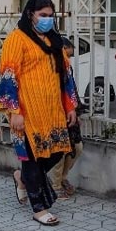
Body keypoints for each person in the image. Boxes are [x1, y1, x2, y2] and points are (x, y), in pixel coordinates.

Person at [0, 0, 77, 226]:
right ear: (31, 14)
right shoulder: (16, 39)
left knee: (57, 152)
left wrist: (70, 106)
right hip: (27, 113)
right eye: (43, 15)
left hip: (52, 112)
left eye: (50, 16)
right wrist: (15, 111)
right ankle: (40, 208)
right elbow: (8, 76)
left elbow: (66, 76)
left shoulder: (54, 41)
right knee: (31, 160)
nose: (47, 20)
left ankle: (22, 179)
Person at [48, 37, 82, 199]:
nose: (68, 59)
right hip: (55, 115)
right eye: (67, 55)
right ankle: (55, 185)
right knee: (60, 151)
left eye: (70, 56)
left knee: (77, 148)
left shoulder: (67, 69)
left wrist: (76, 112)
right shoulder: (51, 68)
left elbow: (72, 91)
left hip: (69, 115)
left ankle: (62, 178)